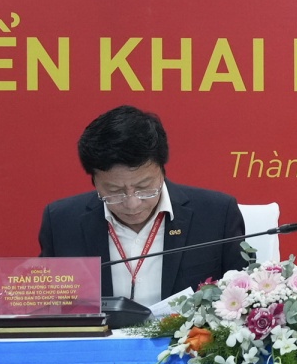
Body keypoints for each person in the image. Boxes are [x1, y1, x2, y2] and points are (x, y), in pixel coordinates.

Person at [39, 105, 246, 304]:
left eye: (144, 187)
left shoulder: (216, 215)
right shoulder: (62, 222)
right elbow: (48, 307)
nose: (132, 203)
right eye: (114, 191)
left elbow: (245, 298)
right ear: (94, 180)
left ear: (162, 171)